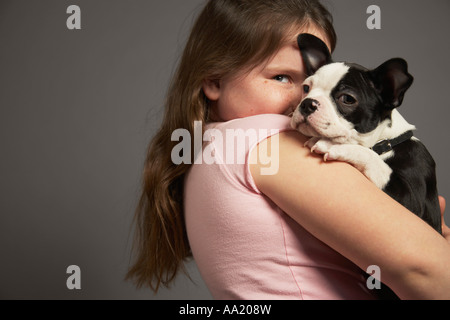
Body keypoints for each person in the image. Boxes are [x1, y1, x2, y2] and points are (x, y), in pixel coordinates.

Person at [126, 0, 450, 299]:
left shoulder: (207, 151)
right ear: (214, 79)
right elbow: (424, 269)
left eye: (312, 78)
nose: (304, 99)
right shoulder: (268, 138)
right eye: (281, 77)